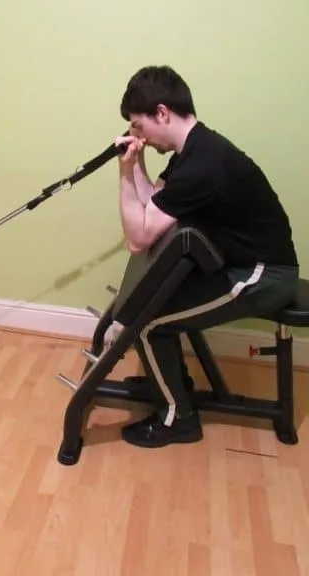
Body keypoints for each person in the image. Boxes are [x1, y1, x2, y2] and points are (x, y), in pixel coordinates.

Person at [113, 65, 299, 448]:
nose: (138, 135)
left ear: (162, 113)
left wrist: (123, 173)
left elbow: (139, 238)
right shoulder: (193, 151)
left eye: (139, 125)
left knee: (147, 324)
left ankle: (177, 420)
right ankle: (172, 383)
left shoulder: (201, 165)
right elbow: (153, 206)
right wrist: (136, 165)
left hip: (264, 276)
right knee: (156, 305)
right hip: (242, 264)